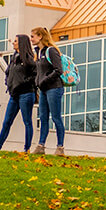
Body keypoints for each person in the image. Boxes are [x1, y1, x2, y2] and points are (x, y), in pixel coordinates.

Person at [0, 34, 36, 152]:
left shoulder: (28, 59)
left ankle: (26, 148)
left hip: (26, 94)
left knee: (27, 121)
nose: (13, 43)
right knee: (7, 121)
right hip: (14, 95)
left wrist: (22, 83)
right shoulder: (14, 58)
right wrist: (8, 83)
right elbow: (8, 73)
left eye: (16, 41)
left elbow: (34, 76)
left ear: (21, 43)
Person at [30, 26, 65, 156]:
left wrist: (44, 80)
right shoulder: (38, 53)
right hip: (43, 90)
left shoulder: (51, 51)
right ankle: (41, 145)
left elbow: (58, 70)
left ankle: (60, 147)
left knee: (56, 117)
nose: (31, 39)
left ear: (40, 36)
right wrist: (37, 82)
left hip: (54, 88)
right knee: (43, 117)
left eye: (33, 36)